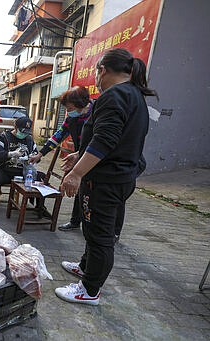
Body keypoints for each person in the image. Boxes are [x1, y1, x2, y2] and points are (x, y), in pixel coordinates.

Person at [54, 48, 158, 305]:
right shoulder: (133, 95)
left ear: (103, 70)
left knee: (100, 236)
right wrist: (79, 154)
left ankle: (89, 290)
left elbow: (105, 139)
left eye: (98, 71)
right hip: (119, 178)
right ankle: (85, 268)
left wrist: (76, 174)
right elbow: (113, 138)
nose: (97, 78)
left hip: (105, 181)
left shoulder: (115, 95)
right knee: (94, 230)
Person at [35, 86, 93, 231]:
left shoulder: (97, 113)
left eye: (70, 107)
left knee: (92, 192)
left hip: (95, 156)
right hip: (80, 155)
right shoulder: (72, 119)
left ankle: (103, 229)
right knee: (79, 188)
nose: (68, 111)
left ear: (81, 103)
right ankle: (75, 222)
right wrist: (41, 153)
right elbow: (58, 136)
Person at [0, 117, 44, 212]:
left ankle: (40, 207)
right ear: (15, 127)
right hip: (5, 171)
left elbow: (37, 157)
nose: (24, 134)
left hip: (23, 172)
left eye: (26, 132)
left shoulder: (29, 139)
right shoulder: (4, 137)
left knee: (42, 177)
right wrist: (10, 154)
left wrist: (32, 158)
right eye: (22, 131)